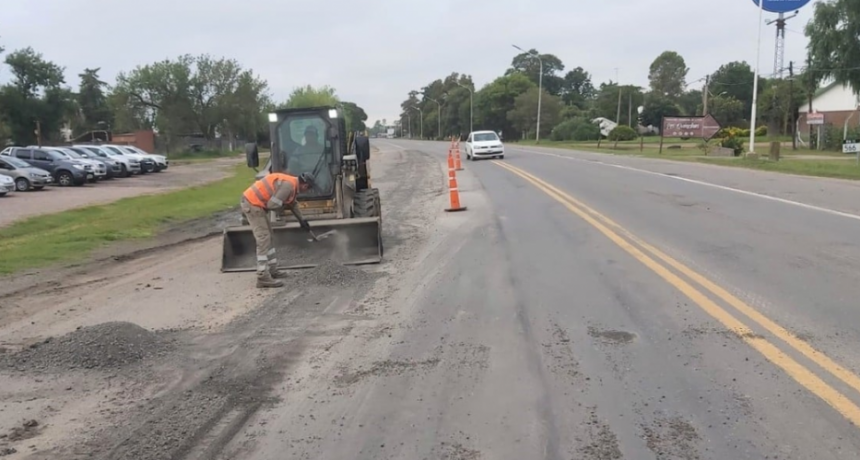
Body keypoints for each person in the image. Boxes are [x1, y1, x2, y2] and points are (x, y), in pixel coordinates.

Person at [240, 171, 315, 288]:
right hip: (252, 203)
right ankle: (262, 276)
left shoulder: (292, 185)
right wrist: (283, 205)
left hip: (257, 205)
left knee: (270, 235)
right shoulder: (288, 186)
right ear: (305, 185)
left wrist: (302, 220)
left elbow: (293, 204)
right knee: (263, 238)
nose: (306, 191)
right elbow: (272, 205)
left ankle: (272, 270)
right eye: (307, 189)